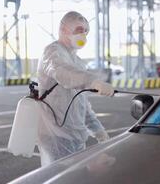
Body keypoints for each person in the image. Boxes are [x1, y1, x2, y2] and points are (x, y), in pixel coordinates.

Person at [36, 11, 114, 166]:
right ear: (64, 30)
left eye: (86, 31)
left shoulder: (78, 62)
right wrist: (93, 82)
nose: (83, 34)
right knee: (61, 177)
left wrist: (97, 129)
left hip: (75, 135)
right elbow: (63, 73)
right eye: (79, 30)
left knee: (75, 177)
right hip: (55, 134)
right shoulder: (52, 52)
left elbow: (80, 103)